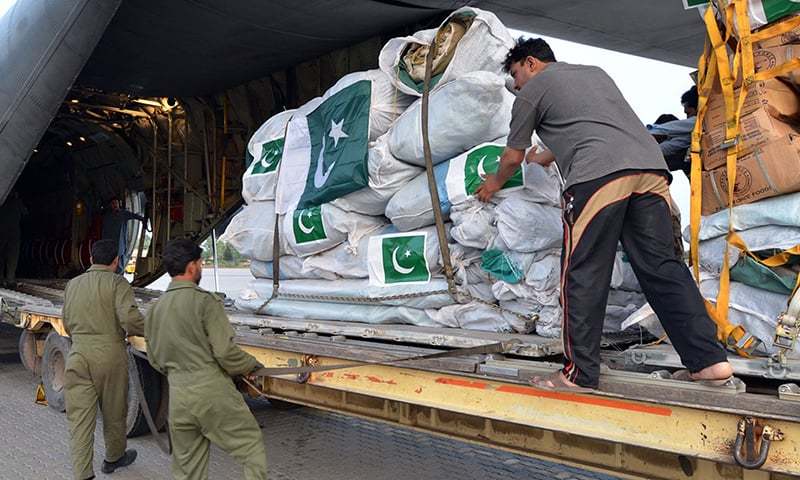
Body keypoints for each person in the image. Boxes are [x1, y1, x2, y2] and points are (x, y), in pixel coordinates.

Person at [475, 38, 733, 391]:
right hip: (650, 171)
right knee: (663, 268)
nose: (516, 84)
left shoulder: (532, 92)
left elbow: (512, 157)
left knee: (582, 271)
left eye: (516, 74)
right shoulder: (594, 74)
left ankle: (578, 374)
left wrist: (493, 184)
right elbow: (597, 127)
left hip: (598, 177)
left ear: (531, 63)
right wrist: (550, 156)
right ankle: (709, 362)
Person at [144, 238, 267, 479]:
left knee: (188, 469)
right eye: (200, 263)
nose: (201, 267)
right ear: (191, 267)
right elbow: (225, 353)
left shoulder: (155, 309)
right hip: (212, 393)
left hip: (179, 397)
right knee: (251, 447)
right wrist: (251, 365)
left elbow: (155, 359)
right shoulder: (206, 302)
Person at [62, 239, 143, 479]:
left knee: (80, 419)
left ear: (90, 259)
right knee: (114, 412)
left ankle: (82, 474)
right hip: (110, 355)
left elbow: (66, 324)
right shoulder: (118, 283)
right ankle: (113, 458)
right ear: (116, 261)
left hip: (78, 355)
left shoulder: (73, 284)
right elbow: (130, 320)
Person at [646, 87, 699, 176]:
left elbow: (661, 130)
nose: (687, 117)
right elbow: (668, 146)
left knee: (666, 119)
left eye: (688, 113)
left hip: (681, 158)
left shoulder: (696, 122)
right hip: (659, 155)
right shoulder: (688, 135)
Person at [101, 197, 145, 274]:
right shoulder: (107, 215)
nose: (115, 205)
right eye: (113, 203)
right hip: (109, 245)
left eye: (116, 203)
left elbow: (135, 216)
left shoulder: (123, 214)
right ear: (110, 205)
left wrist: (143, 219)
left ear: (119, 204)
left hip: (119, 246)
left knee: (119, 265)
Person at [0, 190, 27, 288]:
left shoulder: (2, 202)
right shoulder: (17, 202)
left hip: (2, 233)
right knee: (12, 257)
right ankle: (10, 279)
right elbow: (25, 213)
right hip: (14, 234)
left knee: (1, 256)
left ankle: (1, 278)